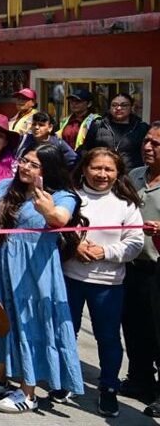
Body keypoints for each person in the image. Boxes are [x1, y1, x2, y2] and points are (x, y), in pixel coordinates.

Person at [0, 144, 86, 413]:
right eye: (24, 161)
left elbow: (60, 219)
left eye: (34, 165)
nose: (25, 167)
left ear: (49, 169)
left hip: (34, 272)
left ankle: (28, 391)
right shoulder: (4, 187)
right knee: (1, 320)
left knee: (29, 324)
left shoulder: (63, 195)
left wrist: (47, 209)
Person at [63, 148, 144, 417]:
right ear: (84, 168)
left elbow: (135, 243)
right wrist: (75, 246)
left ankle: (108, 388)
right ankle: (65, 380)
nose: (102, 174)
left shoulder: (126, 203)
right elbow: (57, 229)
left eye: (109, 169)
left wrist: (105, 252)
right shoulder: (71, 197)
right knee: (65, 333)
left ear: (118, 173)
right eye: (96, 168)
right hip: (71, 278)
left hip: (108, 283)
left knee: (108, 338)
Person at [130, 123, 160, 415]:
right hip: (132, 265)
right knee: (135, 327)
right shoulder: (135, 176)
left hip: (157, 267)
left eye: (156, 144)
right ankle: (139, 379)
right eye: (146, 141)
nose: (147, 147)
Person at [80, 93, 149, 171]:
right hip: (103, 172)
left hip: (131, 174)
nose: (118, 108)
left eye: (124, 105)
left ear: (131, 107)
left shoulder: (142, 128)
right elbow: (86, 149)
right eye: (114, 105)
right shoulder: (98, 125)